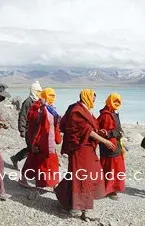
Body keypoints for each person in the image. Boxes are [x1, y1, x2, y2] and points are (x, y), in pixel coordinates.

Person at [54, 89, 116, 222]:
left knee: (81, 174)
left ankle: (64, 198)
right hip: (79, 148)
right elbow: (85, 130)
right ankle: (80, 207)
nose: (94, 101)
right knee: (83, 176)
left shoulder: (86, 109)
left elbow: (91, 128)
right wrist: (104, 141)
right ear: (86, 97)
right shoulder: (77, 110)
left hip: (87, 147)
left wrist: (101, 132)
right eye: (92, 98)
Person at [19, 88, 61, 188]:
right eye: (50, 96)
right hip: (39, 140)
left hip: (48, 140)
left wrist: (57, 138)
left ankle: (53, 183)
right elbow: (33, 125)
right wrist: (33, 142)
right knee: (35, 160)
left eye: (53, 96)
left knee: (47, 161)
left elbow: (54, 125)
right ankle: (53, 184)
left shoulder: (51, 109)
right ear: (44, 95)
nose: (52, 98)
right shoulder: (37, 108)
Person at [97, 93, 126, 201]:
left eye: (118, 101)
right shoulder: (106, 115)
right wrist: (118, 133)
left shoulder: (113, 113)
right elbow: (106, 132)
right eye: (115, 101)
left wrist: (118, 133)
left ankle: (110, 189)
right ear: (109, 101)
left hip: (114, 145)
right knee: (110, 168)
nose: (117, 103)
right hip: (110, 146)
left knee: (114, 168)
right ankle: (108, 190)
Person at [10, 81, 42, 170]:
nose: (39, 93)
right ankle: (30, 169)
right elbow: (23, 116)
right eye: (38, 92)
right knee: (32, 148)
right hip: (28, 129)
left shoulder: (38, 102)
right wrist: (22, 130)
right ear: (33, 91)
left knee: (31, 148)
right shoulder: (28, 102)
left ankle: (16, 158)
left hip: (35, 129)